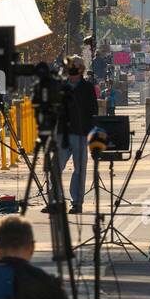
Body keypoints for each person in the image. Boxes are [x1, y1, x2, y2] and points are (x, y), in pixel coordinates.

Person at [60, 57, 98, 214]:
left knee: (79, 170)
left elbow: (93, 111)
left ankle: (76, 202)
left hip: (80, 134)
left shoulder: (87, 88)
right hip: (61, 134)